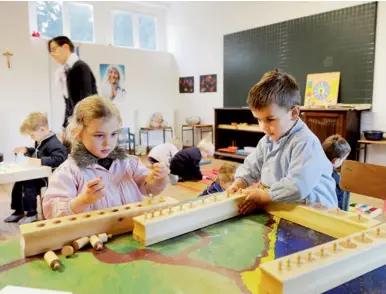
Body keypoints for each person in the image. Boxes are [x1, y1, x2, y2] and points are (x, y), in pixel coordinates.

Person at [227, 70, 337, 214]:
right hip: (284, 206)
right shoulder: (267, 140)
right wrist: (239, 182)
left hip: (317, 212)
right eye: (258, 119)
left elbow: (297, 186)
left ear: (294, 113)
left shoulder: (305, 142)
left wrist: (265, 196)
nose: (263, 127)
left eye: (270, 119)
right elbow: (251, 166)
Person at [42, 96, 168, 219]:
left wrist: (157, 179)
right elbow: (51, 212)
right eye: (99, 135)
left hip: (131, 231)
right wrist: (83, 201)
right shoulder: (69, 172)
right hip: (95, 237)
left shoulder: (129, 163)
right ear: (78, 133)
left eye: (114, 134)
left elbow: (150, 190)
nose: (108, 143)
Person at [4, 112, 67, 224]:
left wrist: (41, 161)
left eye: (32, 135)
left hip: (47, 177)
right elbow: (38, 152)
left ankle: (32, 213)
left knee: (29, 185)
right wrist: (27, 150)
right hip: (37, 174)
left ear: (42, 130)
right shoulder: (41, 140)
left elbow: (60, 158)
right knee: (19, 183)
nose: (31, 137)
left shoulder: (54, 143)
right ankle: (19, 210)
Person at [48, 36, 98, 129]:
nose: (52, 54)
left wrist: (78, 127)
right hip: (75, 123)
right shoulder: (66, 71)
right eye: (50, 51)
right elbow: (69, 103)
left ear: (66, 47)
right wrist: (65, 125)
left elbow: (86, 101)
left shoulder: (80, 67)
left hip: (85, 124)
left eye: (54, 49)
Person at [322, 134, 351, 210]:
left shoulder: (311, 169)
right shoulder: (338, 182)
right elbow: (341, 208)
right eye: (343, 159)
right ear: (335, 161)